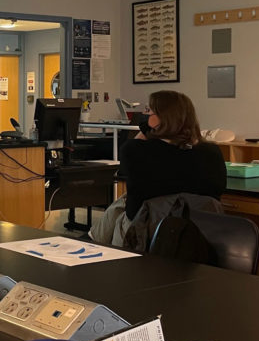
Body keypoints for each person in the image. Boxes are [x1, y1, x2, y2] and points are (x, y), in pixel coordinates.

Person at [91, 90, 226, 247]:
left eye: (149, 112)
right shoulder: (213, 152)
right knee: (123, 202)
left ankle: (92, 243)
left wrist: (146, 130)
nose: (145, 115)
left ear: (161, 119)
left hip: (144, 234)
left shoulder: (136, 151)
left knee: (123, 204)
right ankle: (93, 240)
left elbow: (130, 156)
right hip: (199, 235)